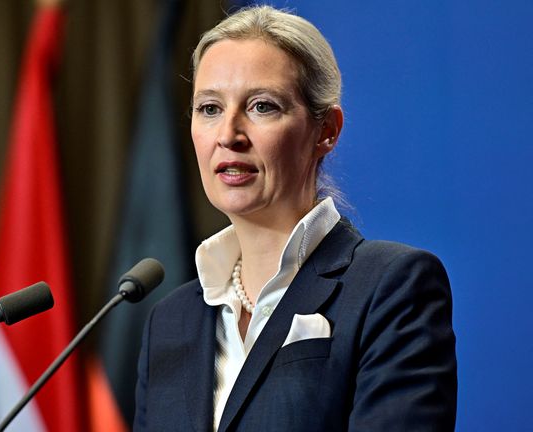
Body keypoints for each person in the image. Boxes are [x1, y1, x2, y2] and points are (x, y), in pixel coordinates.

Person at [133, 5, 457, 431]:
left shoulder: (391, 288)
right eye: (209, 108)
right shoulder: (170, 321)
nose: (229, 134)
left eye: (262, 106)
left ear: (326, 131)